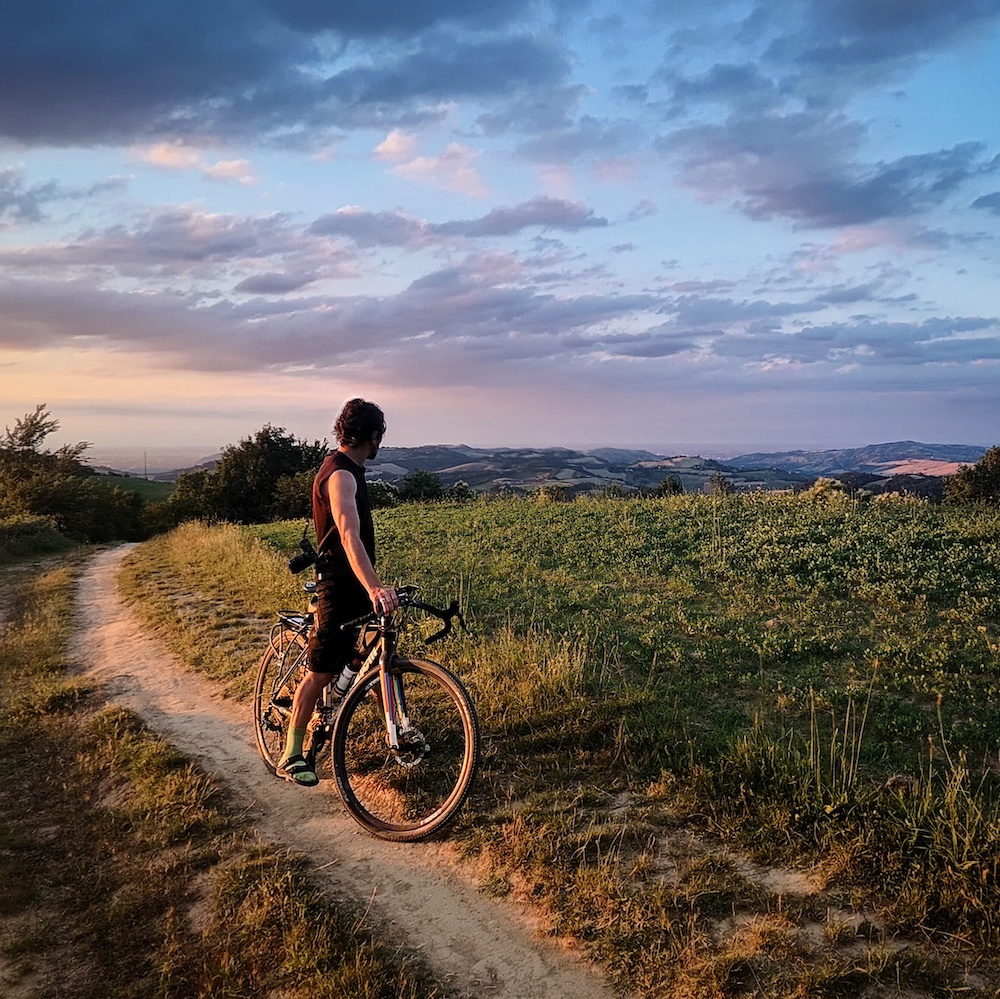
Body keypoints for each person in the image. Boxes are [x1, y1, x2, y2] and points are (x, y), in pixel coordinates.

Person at [276, 398, 399, 786]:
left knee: (374, 655)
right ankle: (291, 753)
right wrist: (375, 586)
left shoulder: (348, 468)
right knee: (321, 671)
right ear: (373, 435)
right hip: (339, 585)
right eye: (380, 436)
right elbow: (348, 535)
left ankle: (397, 729)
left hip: (356, 582)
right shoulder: (342, 474)